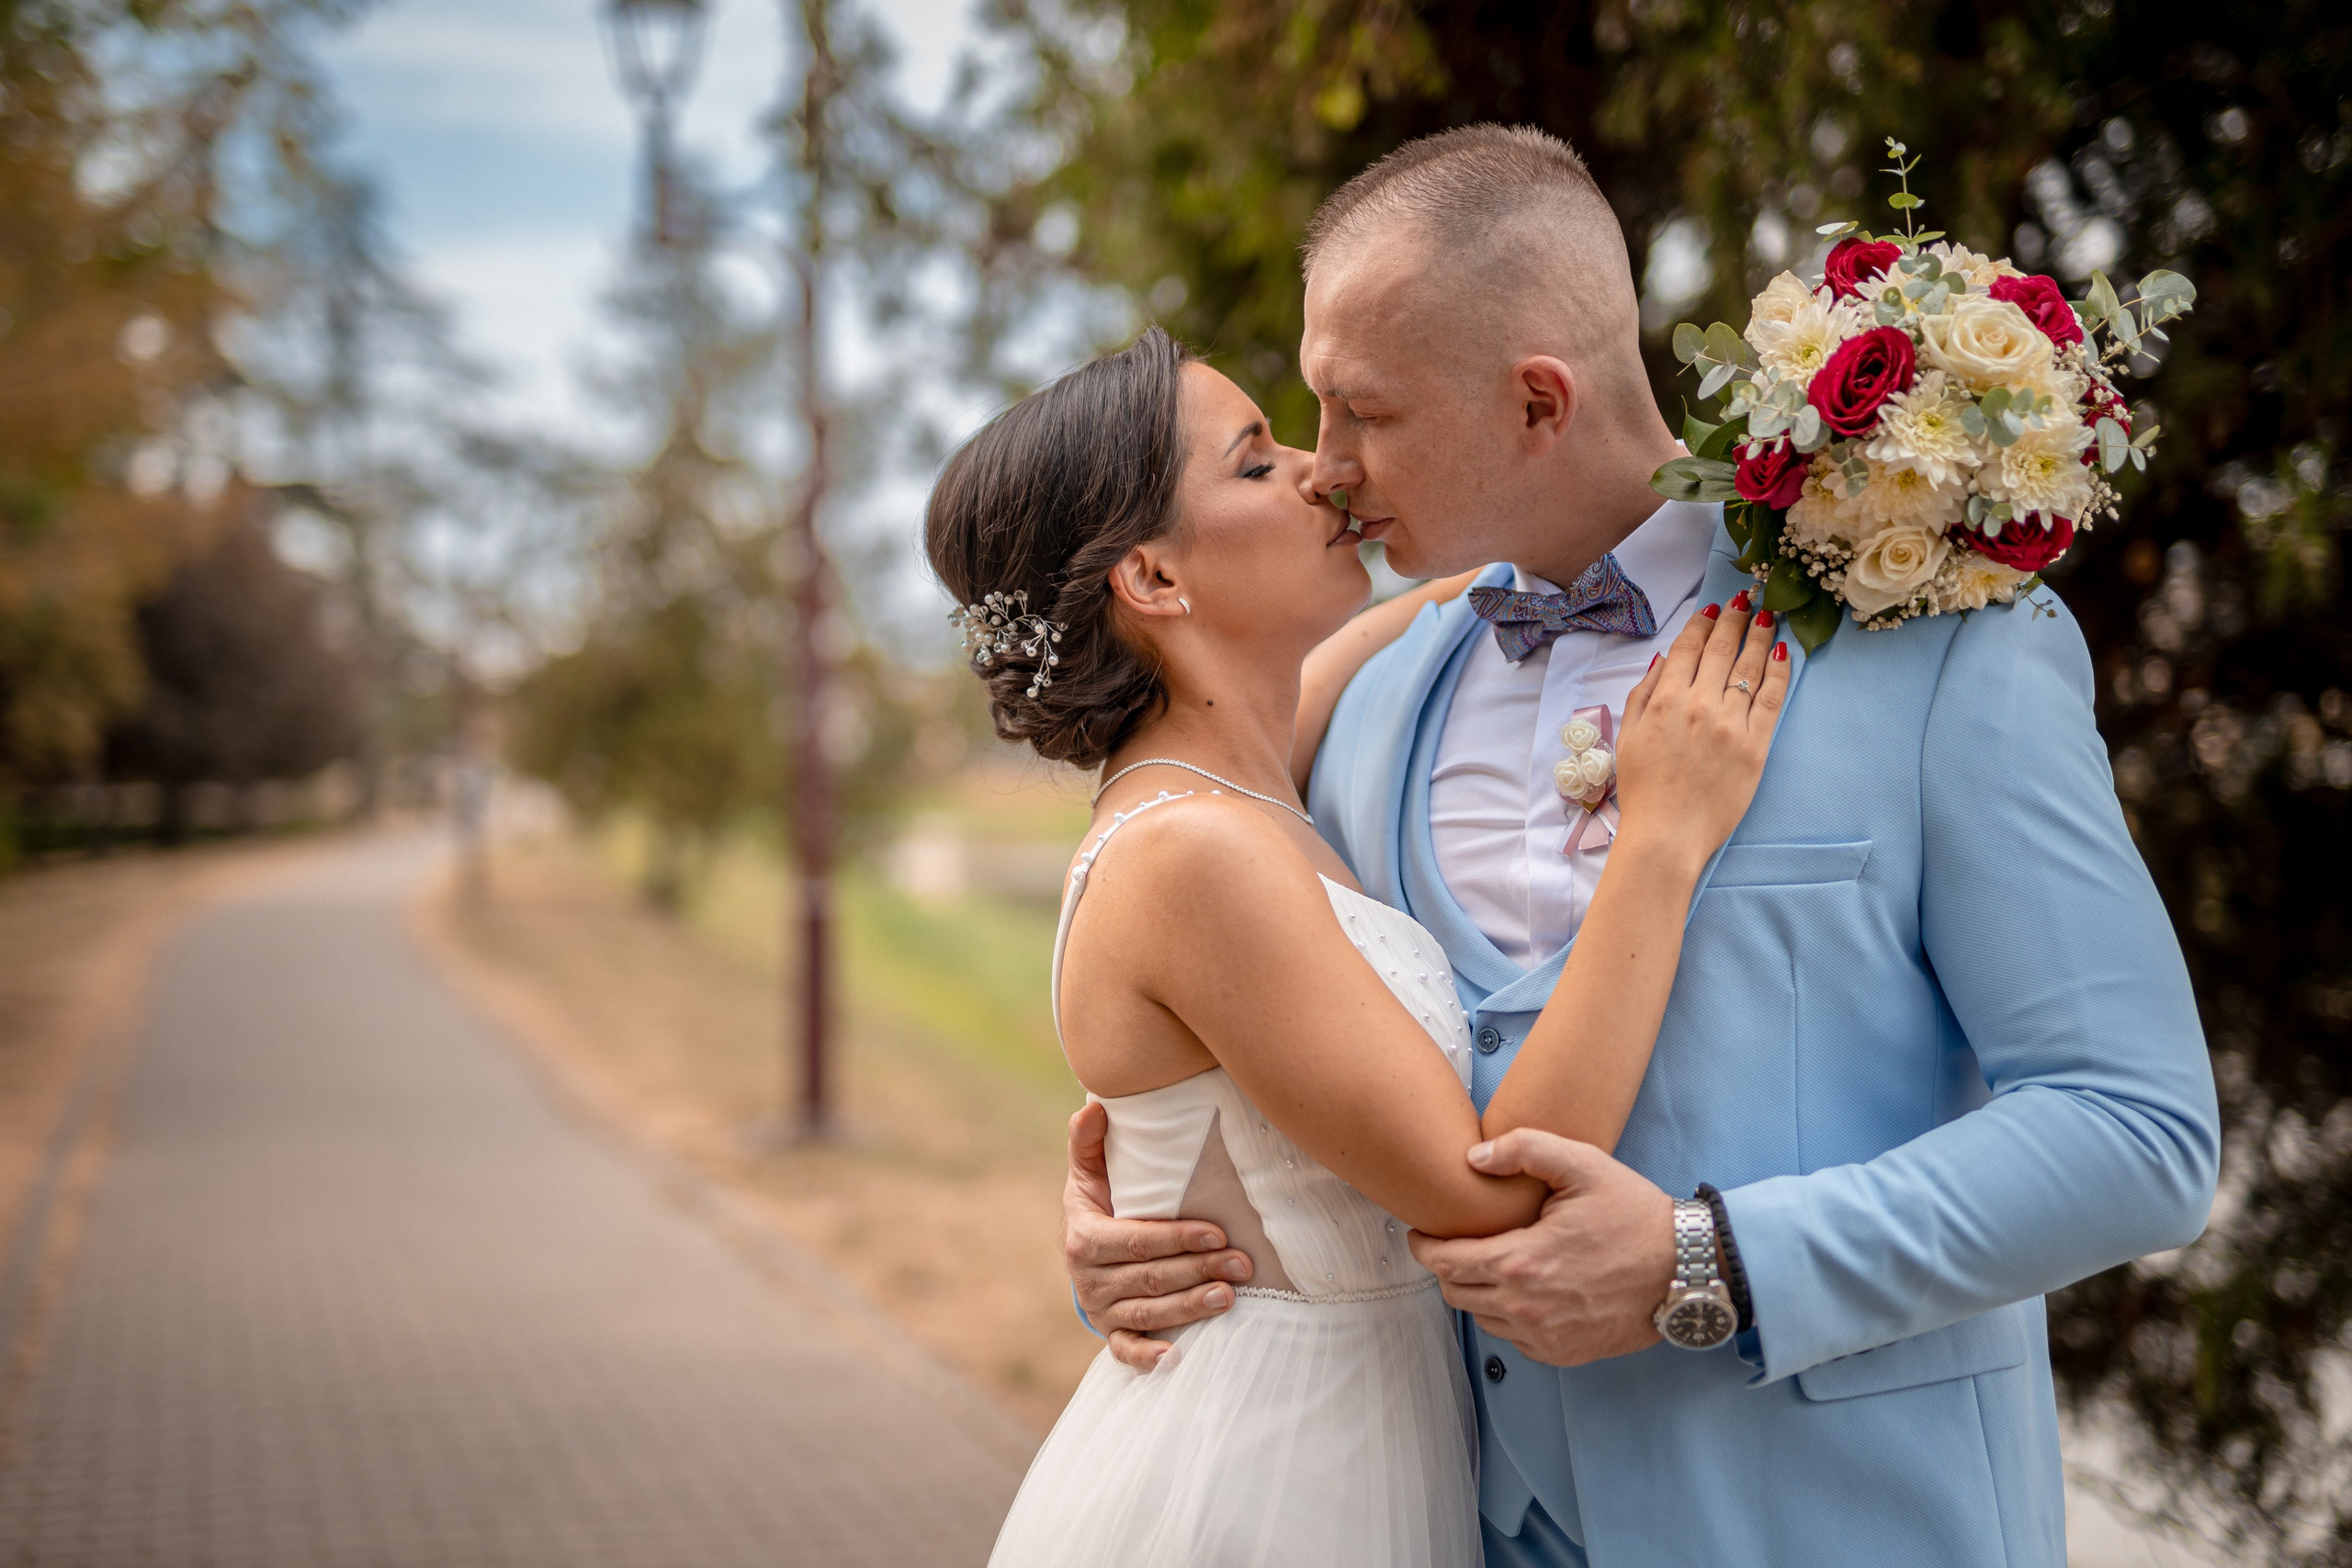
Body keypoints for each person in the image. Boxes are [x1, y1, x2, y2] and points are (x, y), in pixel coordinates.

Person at [1059, 125, 2221, 1567]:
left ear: (1538, 403)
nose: (1330, 472)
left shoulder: (1939, 648)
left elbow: (2141, 1132)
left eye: (1366, 414)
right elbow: (1258, 1045)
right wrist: (1148, 1220)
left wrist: (1715, 1263)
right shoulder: (1353, 715)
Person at [925, 324, 1790, 1567]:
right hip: (1268, 1479)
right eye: (1255, 462)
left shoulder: (1249, 775)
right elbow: (1490, 1194)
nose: (1319, 473)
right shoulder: (1194, 856)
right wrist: (1660, 840)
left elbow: (1433, 604)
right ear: (1156, 581)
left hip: (1363, 1437)